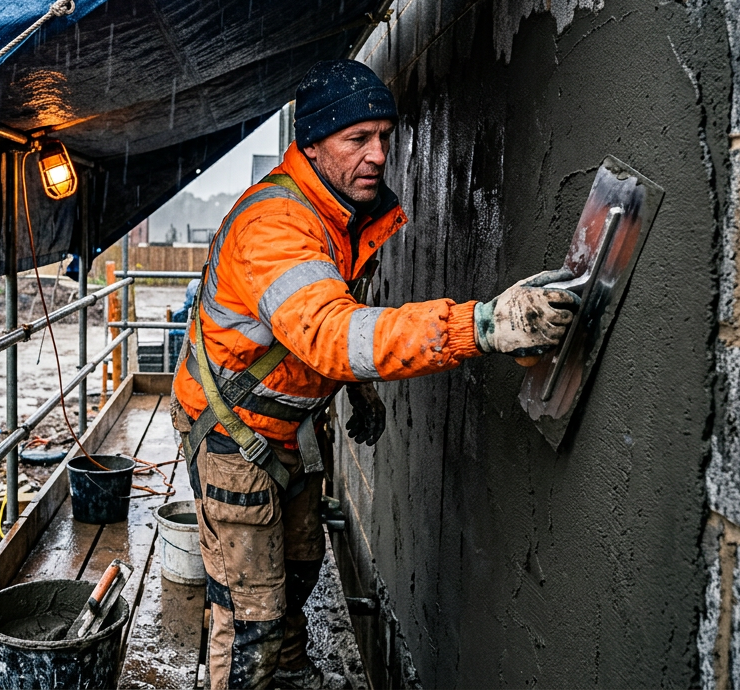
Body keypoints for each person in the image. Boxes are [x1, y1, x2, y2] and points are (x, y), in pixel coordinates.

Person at [170, 59, 579, 690]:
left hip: (289, 429)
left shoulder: (338, 216)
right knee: (250, 614)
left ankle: (289, 668)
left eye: (384, 137)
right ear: (311, 145)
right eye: (357, 138)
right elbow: (331, 334)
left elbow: (327, 316)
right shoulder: (273, 226)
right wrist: (481, 325)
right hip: (231, 436)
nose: (378, 155)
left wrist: (358, 393)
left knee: (299, 569)